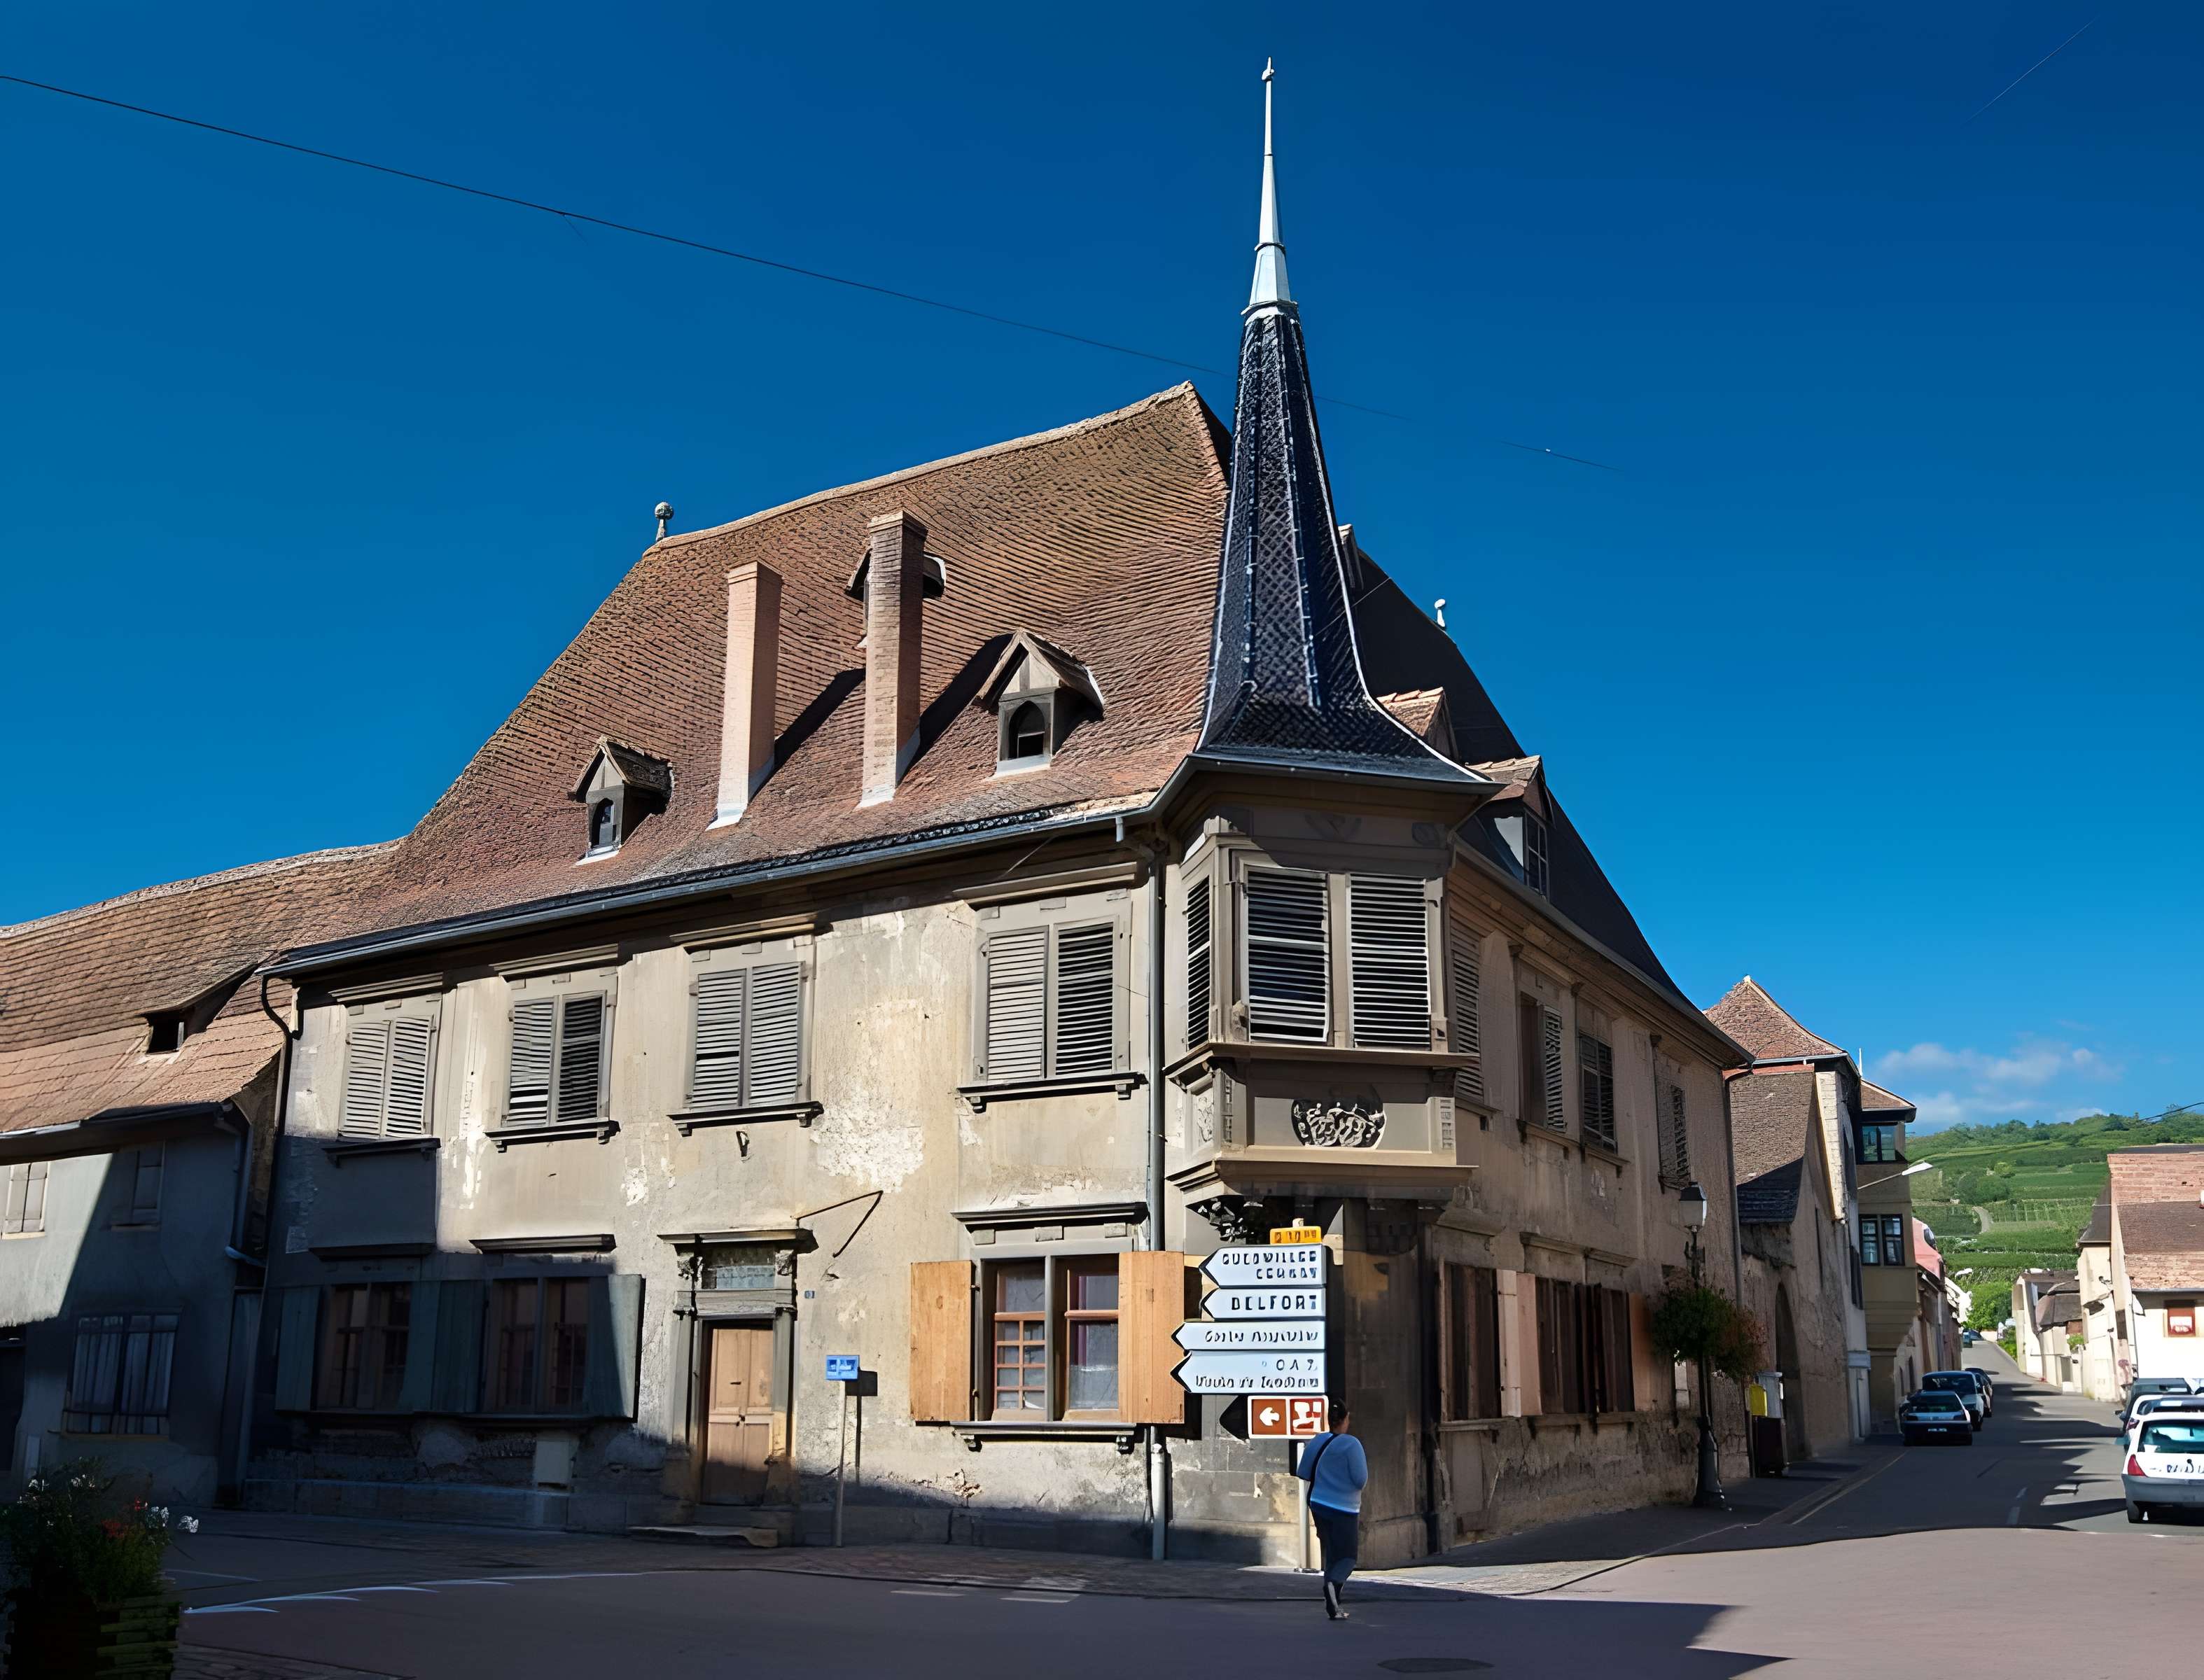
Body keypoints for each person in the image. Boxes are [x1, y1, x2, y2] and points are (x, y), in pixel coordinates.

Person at [1295, 1399, 1367, 1620]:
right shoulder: (1352, 1444)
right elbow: (1360, 1479)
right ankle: (1332, 1587)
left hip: (1318, 1503)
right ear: (1346, 1419)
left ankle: (1334, 1605)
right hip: (1344, 1507)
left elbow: (1303, 1472)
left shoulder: (1318, 1441)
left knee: (1332, 1553)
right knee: (1347, 1556)